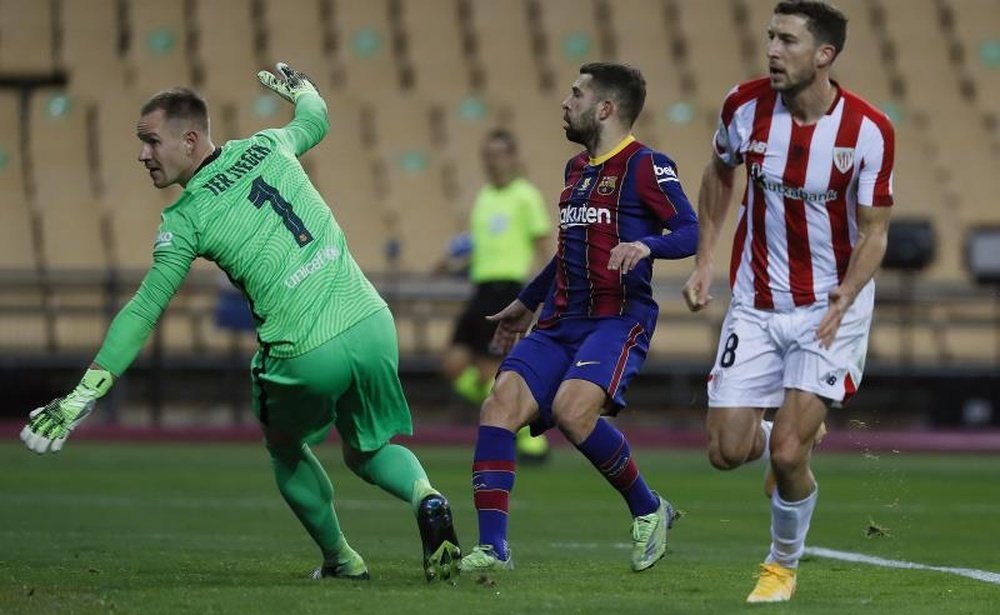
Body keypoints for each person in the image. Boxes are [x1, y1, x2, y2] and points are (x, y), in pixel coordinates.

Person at [19, 63, 461, 582]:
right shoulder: (270, 144)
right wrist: (305, 89)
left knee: (285, 447)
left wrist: (84, 392)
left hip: (306, 350)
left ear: (189, 140)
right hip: (370, 322)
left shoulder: (185, 218)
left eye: (150, 142)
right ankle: (426, 497)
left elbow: (143, 309)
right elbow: (316, 118)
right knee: (368, 450)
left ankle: (342, 560)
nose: (142, 154)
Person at [682, 1, 894, 603]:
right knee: (727, 451)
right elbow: (719, 172)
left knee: (787, 453)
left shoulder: (868, 131)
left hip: (831, 308)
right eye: (770, 37)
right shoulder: (743, 107)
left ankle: (781, 566)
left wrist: (846, 295)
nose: (773, 50)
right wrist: (704, 260)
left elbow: (875, 230)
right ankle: (785, 428)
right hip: (755, 301)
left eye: (788, 41)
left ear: (824, 55)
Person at [459, 62, 698, 573]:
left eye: (576, 93)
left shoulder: (646, 165)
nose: (566, 102)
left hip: (616, 318)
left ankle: (648, 508)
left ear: (605, 108)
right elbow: (566, 251)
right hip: (559, 321)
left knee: (572, 410)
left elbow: (689, 231)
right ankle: (493, 551)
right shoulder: (576, 170)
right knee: (498, 405)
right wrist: (527, 301)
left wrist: (645, 244)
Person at [440, 129, 552, 462]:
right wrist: (451, 263)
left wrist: (546, 290)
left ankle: (528, 440)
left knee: (491, 369)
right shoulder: (485, 197)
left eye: (499, 155)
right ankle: (514, 415)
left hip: (507, 289)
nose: (493, 162)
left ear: (514, 157)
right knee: (454, 365)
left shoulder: (525, 196)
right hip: (481, 289)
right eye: (487, 156)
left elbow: (541, 245)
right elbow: (478, 245)